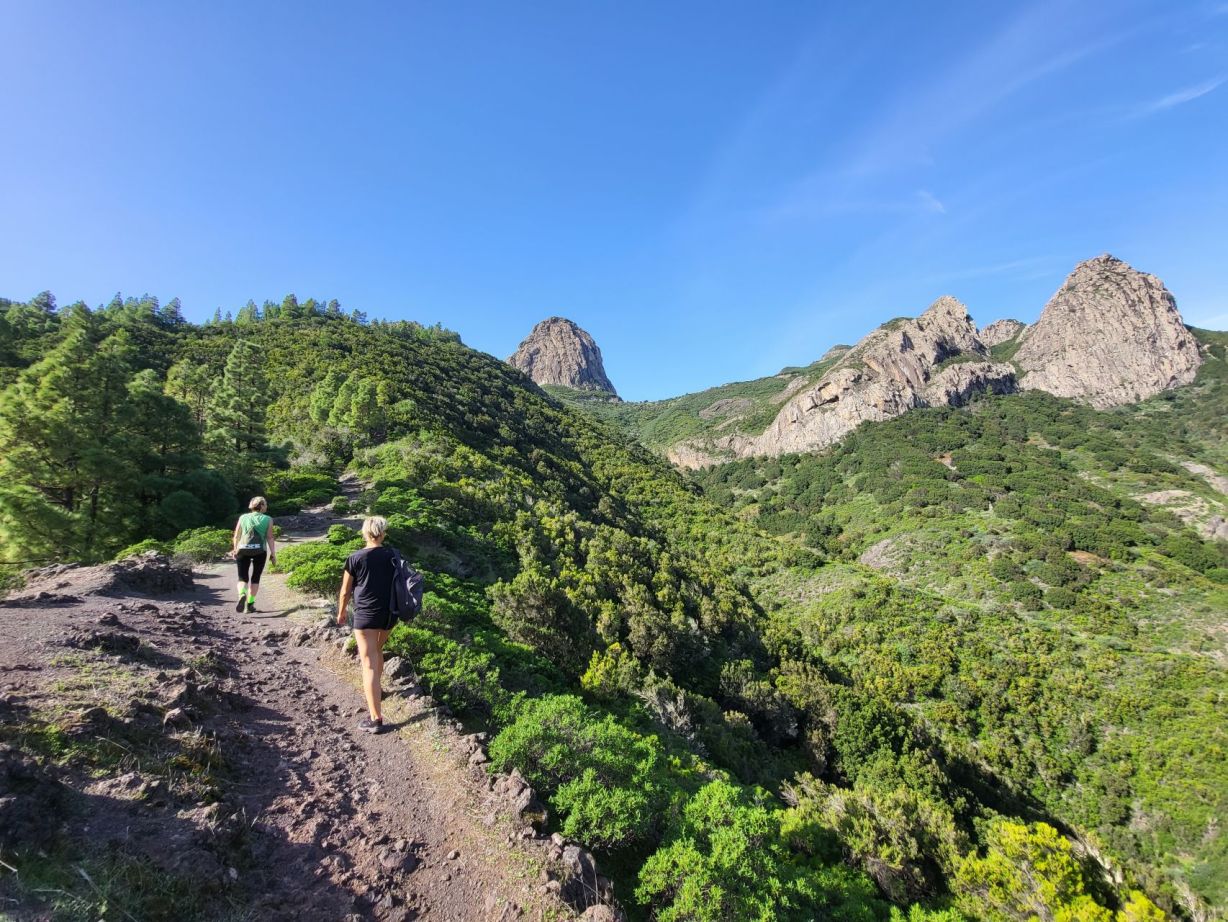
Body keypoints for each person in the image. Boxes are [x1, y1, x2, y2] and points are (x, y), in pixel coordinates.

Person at [337, 515, 398, 734]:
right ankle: (377, 691)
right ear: (383, 533)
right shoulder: (394, 555)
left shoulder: (355, 558)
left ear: (364, 532)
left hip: (365, 616)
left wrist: (342, 612)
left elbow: (345, 591)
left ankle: (375, 719)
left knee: (368, 663)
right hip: (389, 614)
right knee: (377, 650)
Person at [231, 496, 276, 613]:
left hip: (242, 549)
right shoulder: (268, 519)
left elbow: (236, 535)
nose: (266, 506)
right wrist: (273, 554)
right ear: (261, 506)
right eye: (265, 504)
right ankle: (249, 605)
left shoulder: (243, 517)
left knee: (242, 577)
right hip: (260, 551)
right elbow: (270, 537)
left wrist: (235, 549)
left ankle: (242, 594)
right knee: (255, 578)